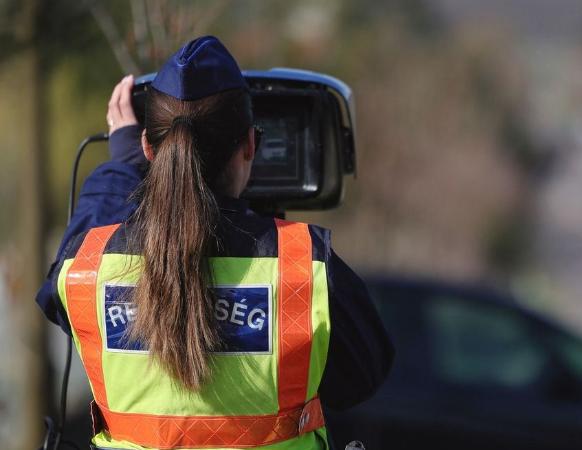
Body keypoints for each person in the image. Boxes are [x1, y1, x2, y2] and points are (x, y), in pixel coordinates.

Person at [35, 36, 393, 450]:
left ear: (149, 148)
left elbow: (66, 273)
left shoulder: (90, 268)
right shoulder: (302, 266)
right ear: (250, 146)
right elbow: (363, 377)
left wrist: (120, 167)